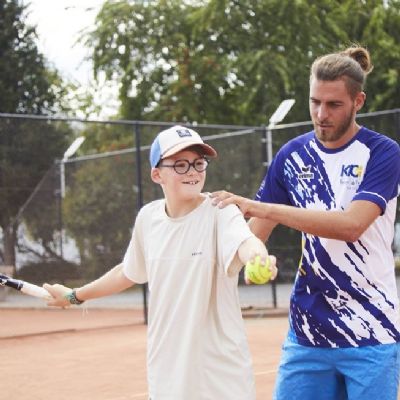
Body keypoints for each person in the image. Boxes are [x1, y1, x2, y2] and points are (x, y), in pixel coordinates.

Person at [211, 46, 400, 400]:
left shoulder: (383, 152)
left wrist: (261, 207)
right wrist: (255, 257)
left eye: (334, 105)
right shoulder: (292, 156)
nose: (321, 114)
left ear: (358, 101)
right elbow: (254, 235)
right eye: (315, 102)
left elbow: (351, 226)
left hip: (372, 331)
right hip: (307, 333)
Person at [44, 125, 277, 400]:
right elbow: (126, 272)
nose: (192, 171)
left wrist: (259, 257)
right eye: (180, 164)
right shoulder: (148, 218)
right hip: (166, 376)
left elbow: (246, 243)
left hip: (221, 379)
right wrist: (74, 296)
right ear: (157, 174)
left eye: (198, 163)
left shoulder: (220, 211)